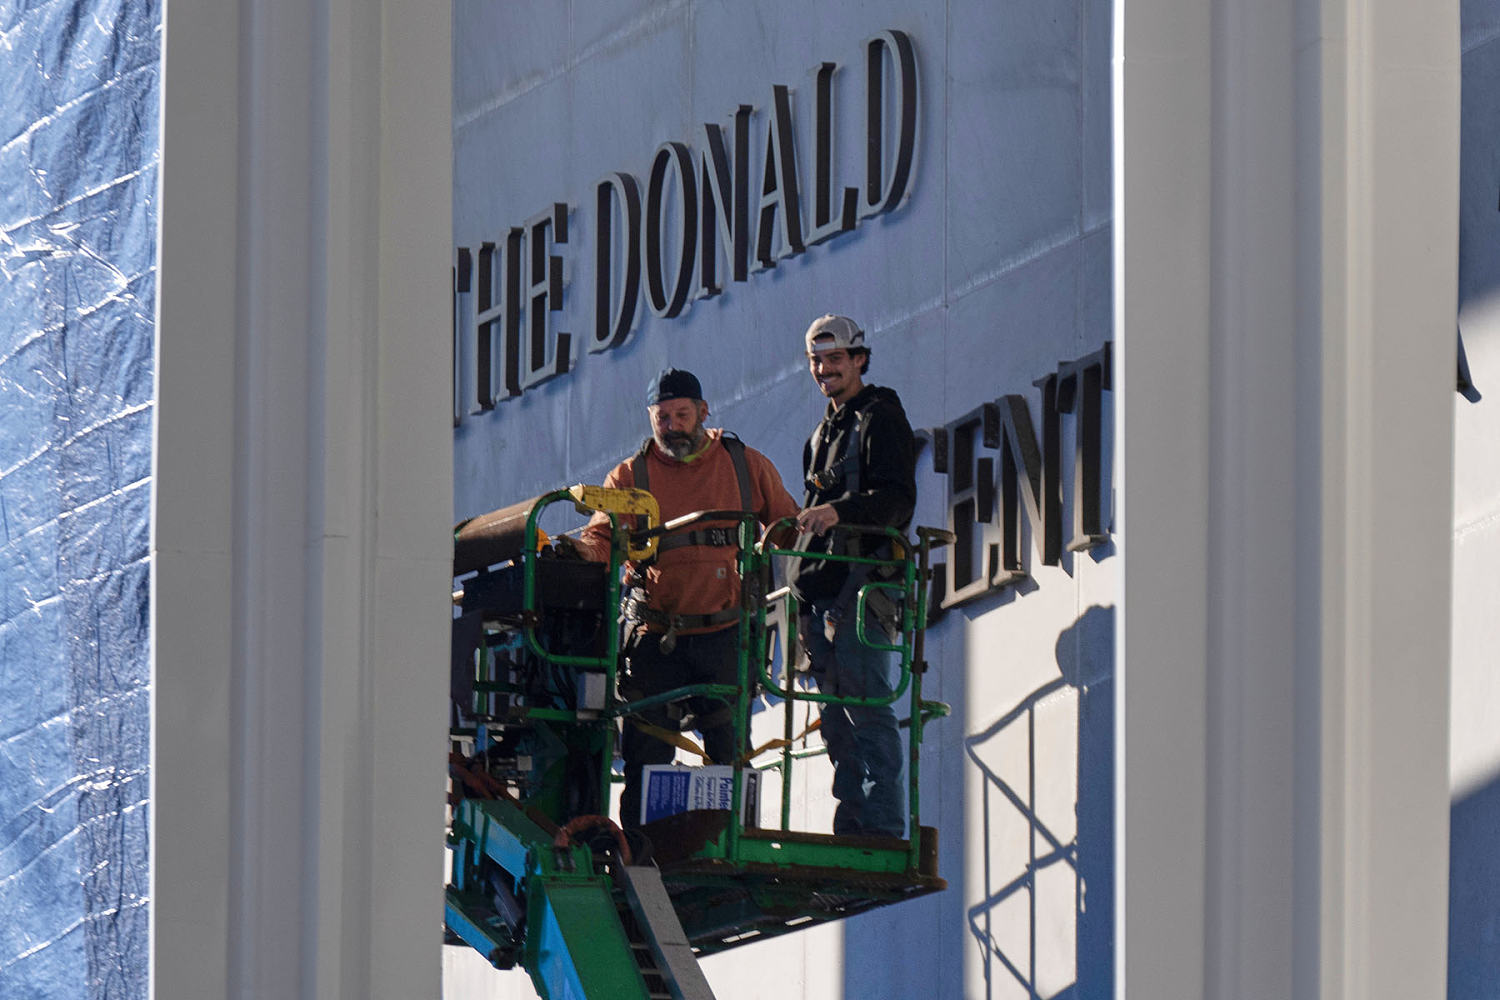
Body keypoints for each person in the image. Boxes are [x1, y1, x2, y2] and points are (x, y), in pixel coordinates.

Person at [578, 368, 799, 830]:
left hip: (726, 634)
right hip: (657, 638)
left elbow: (788, 526)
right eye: (663, 417)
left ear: (703, 412)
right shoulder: (629, 476)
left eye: (681, 414)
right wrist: (578, 553)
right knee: (645, 751)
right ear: (651, 419)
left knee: (729, 747)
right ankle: (639, 848)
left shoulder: (745, 464)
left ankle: (735, 838)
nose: (673, 425)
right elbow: (601, 539)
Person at [789, 315, 917, 839]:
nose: (825, 370)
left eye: (836, 359)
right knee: (837, 726)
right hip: (820, 595)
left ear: (860, 359)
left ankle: (881, 823)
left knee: (867, 709)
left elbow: (897, 500)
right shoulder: (822, 434)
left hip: (862, 588)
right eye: (817, 361)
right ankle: (855, 820)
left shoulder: (880, 418)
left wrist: (840, 511)